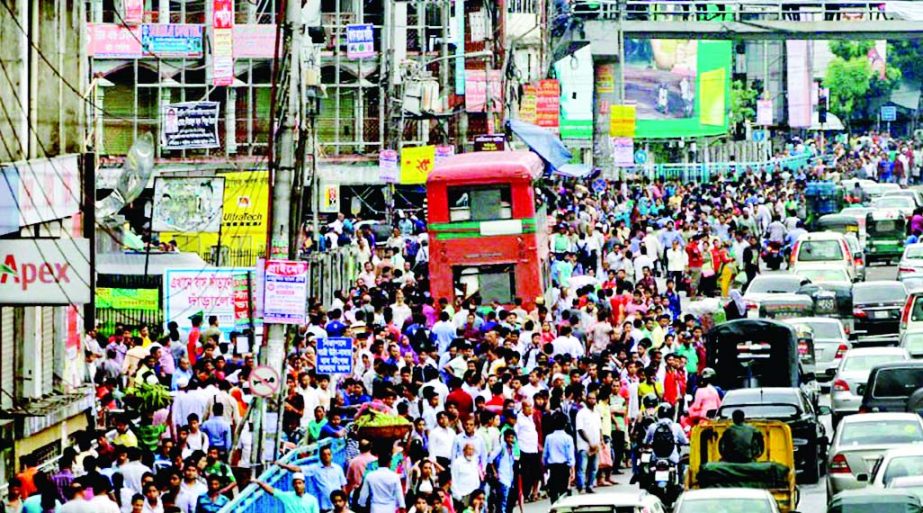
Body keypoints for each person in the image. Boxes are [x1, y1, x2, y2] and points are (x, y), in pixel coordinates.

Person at [542, 414, 575, 505]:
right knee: (563, 491)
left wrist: (544, 465)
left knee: (553, 491)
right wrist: (572, 469)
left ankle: (554, 508)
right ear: (565, 424)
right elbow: (570, 455)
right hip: (563, 467)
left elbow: (545, 454)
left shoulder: (549, 438)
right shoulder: (568, 438)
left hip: (553, 467)